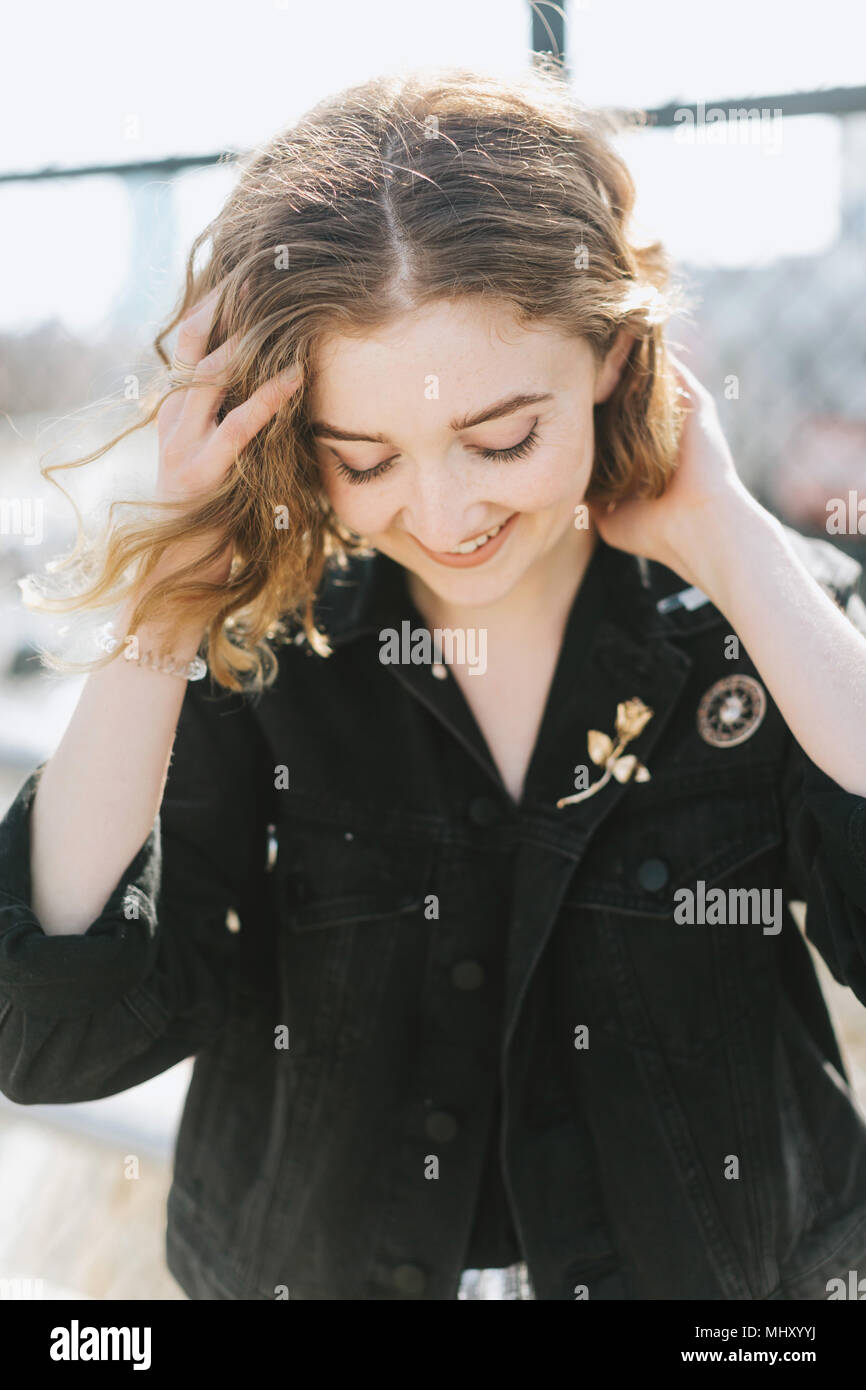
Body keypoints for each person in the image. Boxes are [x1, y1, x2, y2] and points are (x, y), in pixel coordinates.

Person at [1, 65, 866, 1302]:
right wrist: (168, 604)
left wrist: (727, 538)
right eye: (365, 460)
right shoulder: (268, 648)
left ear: (615, 356)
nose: (448, 514)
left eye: (502, 437)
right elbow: (56, 1026)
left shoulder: (758, 625)